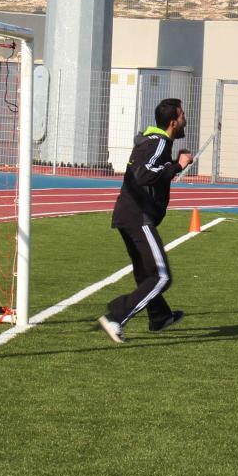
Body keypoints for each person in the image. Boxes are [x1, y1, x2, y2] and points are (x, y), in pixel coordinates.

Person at [96, 98, 194, 344]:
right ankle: (116, 315)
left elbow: (147, 170)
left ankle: (159, 316)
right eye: (182, 116)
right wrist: (178, 166)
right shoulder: (159, 142)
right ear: (173, 122)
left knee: (145, 273)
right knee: (161, 276)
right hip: (137, 215)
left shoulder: (156, 142)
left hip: (127, 214)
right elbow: (143, 174)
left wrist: (173, 165)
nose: (185, 121)